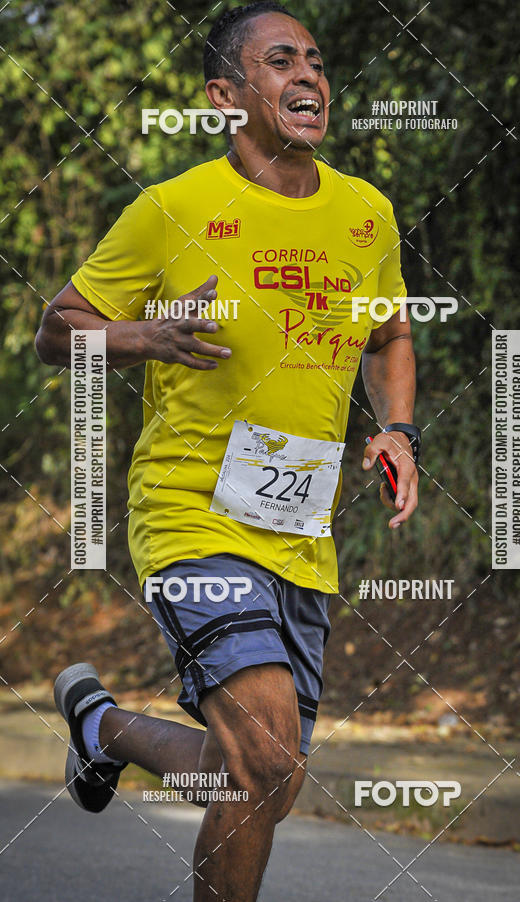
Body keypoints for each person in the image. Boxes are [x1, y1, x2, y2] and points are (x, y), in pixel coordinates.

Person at [35, 2, 419, 899]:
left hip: (300, 531)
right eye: (280, 60)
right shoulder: (174, 207)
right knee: (266, 751)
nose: (310, 77)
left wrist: (396, 429)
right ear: (224, 94)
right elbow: (60, 329)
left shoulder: (367, 213)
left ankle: (104, 732)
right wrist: (146, 338)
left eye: (316, 62)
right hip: (191, 512)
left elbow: (392, 335)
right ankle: (105, 733)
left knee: (264, 776)